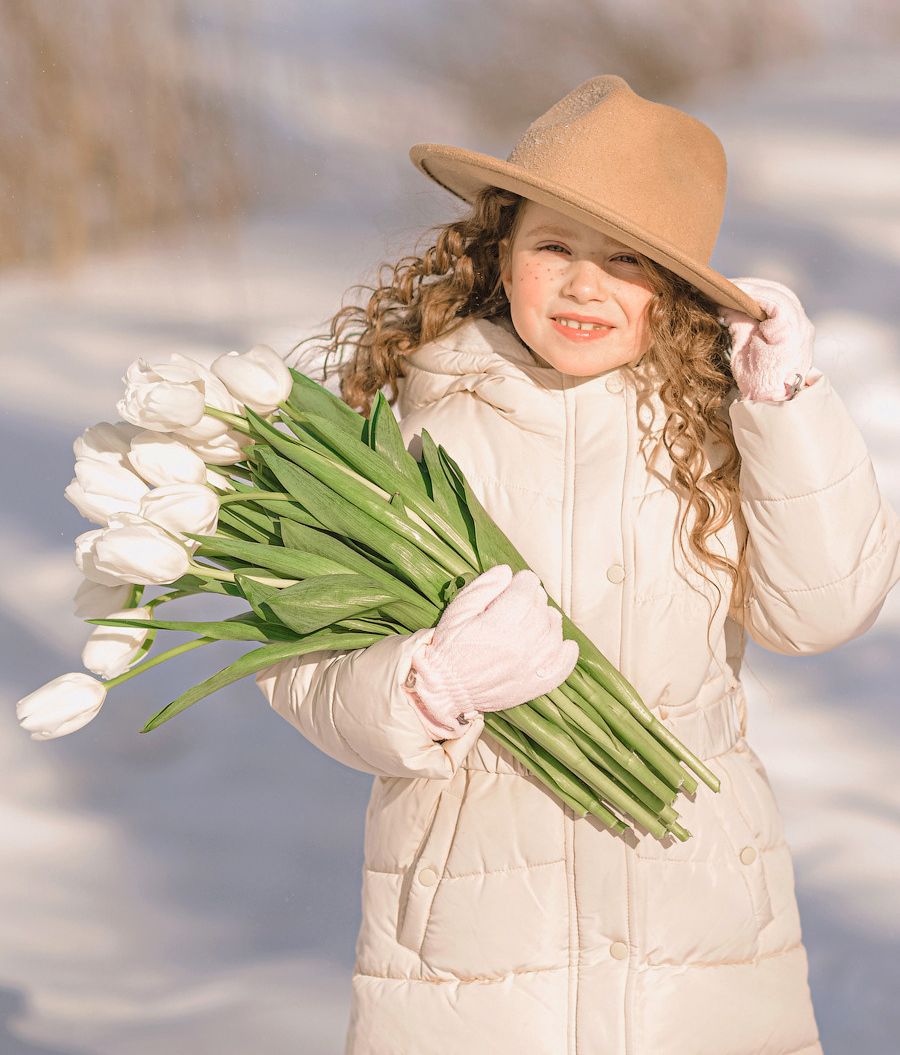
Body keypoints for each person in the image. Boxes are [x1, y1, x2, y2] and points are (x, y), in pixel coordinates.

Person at [256, 76, 900, 1055]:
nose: (584, 285)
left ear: (676, 286)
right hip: (470, 959)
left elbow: (825, 609)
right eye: (554, 246)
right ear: (500, 252)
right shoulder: (411, 427)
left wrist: (786, 407)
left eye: (627, 258)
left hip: (699, 941)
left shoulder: (713, 429)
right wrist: (425, 687)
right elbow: (302, 666)